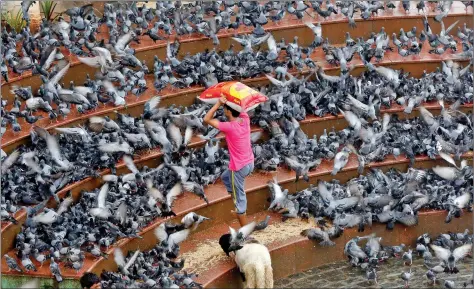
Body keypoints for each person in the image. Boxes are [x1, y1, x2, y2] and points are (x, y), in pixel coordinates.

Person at [203, 95, 254, 226]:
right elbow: (241, 108)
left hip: (239, 168)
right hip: (249, 163)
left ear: (229, 111)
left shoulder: (229, 126)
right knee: (225, 177)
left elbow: (206, 119)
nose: (223, 110)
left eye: (225, 108)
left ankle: (245, 233)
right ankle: (236, 197)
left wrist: (218, 103)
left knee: (240, 201)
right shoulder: (245, 119)